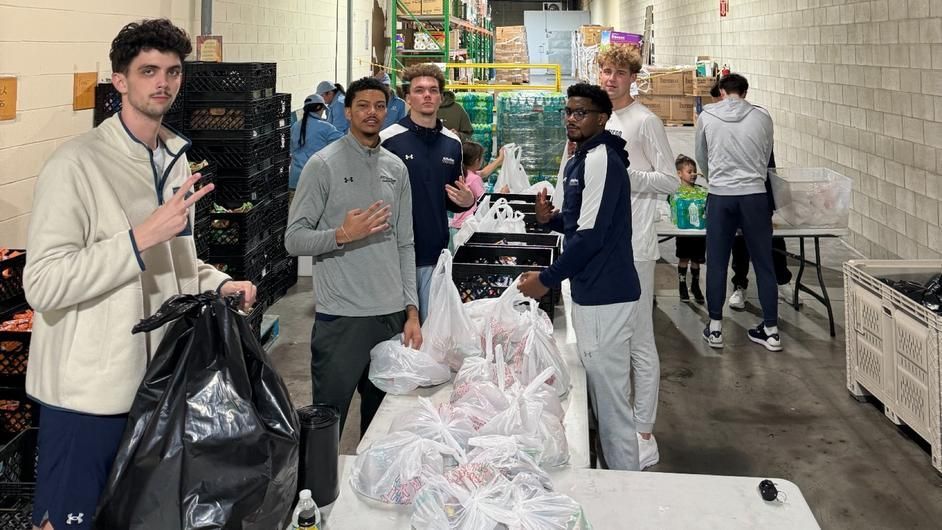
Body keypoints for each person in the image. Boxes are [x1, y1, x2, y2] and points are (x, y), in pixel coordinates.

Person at [22, 19, 257, 530]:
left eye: (172, 71)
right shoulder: (76, 165)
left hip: (157, 388)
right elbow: (43, 284)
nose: (163, 83)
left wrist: (218, 282)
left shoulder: (174, 157)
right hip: (87, 396)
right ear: (120, 82)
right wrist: (137, 238)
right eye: (148, 70)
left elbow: (178, 264)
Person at [285, 76, 422, 435]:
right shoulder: (323, 164)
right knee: (326, 428)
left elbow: (405, 243)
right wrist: (342, 235)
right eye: (362, 106)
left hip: (390, 319)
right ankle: (317, 493)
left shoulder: (396, 168)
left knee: (382, 429)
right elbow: (293, 239)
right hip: (342, 319)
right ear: (346, 112)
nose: (371, 113)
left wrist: (411, 311)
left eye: (379, 106)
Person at [519, 83, 642, 472]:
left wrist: (547, 279)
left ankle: (626, 488)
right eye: (569, 111)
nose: (572, 118)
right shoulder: (580, 157)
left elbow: (591, 238)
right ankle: (610, 474)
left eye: (581, 112)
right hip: (591, 291)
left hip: (608, 293)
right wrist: (549, 220)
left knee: (612, 403)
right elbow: (580, 221)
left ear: (602, 118)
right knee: (600, 396)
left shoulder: (601, 158)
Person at [597, 44, 678, 469]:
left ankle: (644, 431)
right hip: (602, 246)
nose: (610, 79)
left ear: (633, 79)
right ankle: (617, 421)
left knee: (639, 339)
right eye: (606, 71)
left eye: (619, 73)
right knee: (610, 340)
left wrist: (624, 175)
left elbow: (670, 181)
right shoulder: (597, 118)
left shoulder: (645, 122)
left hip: (636, 246)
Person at [380, 63, 475, 323]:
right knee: (397, 335)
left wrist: (467, 201)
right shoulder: (388, 140)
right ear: (408, 97)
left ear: (441, 97)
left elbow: (453, 197)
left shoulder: (452, 144)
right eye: (419, 90)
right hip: (395, 257)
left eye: (433, 90)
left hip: (434, 252)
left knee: (431, 332)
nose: (427, 95)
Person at [696, 73, 781, 352]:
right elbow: (767, 155)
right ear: (744, 92)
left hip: (721, 196)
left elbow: (702, 157)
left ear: (721, 91)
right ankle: (771, 331)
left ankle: (716, 327)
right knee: (764, 262)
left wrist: (716, 179)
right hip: (755, 196)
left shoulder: (707, 116)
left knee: (717, 262)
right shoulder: (762, 116)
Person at [449, 143, 505, 238]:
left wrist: (500, 159)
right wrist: (502, 194)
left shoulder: (462, 174)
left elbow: (484, 172)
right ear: (477, 161)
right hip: (468, 227)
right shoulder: (474, 179)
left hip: (456, 225)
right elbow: (485, 202)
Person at [290, 93, 343, 192]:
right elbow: (343, 145)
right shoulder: (326, 128)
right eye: (323, 109)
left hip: (295, 181)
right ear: (319, 107)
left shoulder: (295, 126)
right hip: (314, 181)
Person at [673, 154, 706, 303]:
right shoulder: (676, 192)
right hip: (684, 232)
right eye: (689, 171)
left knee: (696, 260)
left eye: (694, 171)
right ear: (679, 173)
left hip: (699, 233)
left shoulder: (702, 191)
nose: (693, 174)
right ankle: (682, 284)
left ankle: (695, 285)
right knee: (684, 258)